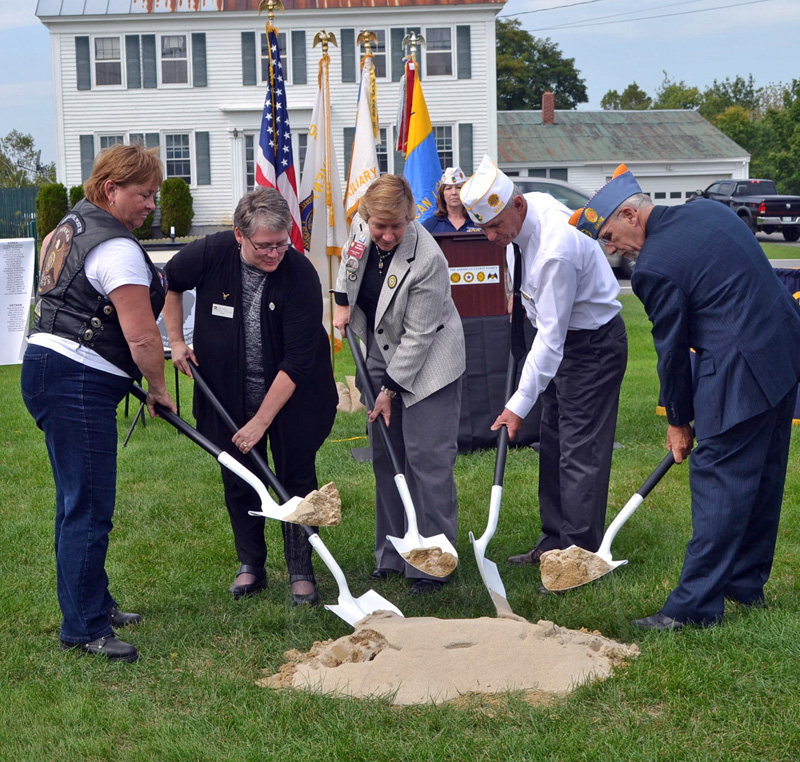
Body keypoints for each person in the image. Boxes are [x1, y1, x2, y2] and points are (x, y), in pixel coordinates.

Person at [571, 164, 800, 630]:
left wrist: (679, 420)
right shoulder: (709, 212)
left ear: (633, 215)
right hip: (783, 352)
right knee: (763, 477)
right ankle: (745, 584)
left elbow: (672, 352)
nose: (612, 249)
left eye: (612, 236)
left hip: (740, 370)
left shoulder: (654, 267)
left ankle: (693, 609)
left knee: (720, 483)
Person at [21, 143, 176, 662]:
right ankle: (84, 627)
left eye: (154, 194)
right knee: (87, 506)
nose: (151, 204)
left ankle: (94, 601)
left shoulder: (67, 227)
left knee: (76, 500)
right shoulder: (118, 249)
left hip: (46, 366)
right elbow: (143, 339)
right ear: (111, 190)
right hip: (76, 380)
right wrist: (158, 388)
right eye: (143, 194)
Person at [162, 187, 337, 607]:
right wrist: (175, 341)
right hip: (228, 388)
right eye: (264, 246)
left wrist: (260, 423)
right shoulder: (211, 252)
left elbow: (297, 362)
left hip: (294, 395)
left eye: (281, 243)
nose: (274, 253)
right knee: (240, 476)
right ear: (240, 236)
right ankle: (251, 565)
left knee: (295, 478)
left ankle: (301, 572)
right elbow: (171, 282)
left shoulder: (300, 274)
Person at [460, 154, 628, 582]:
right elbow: (543, 328)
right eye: (484, 227)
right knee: (553, 441)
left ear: (516, 206)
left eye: (496, 226)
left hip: (591, 345)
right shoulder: (523, 212)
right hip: (557, 336)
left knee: (579, 449)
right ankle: (553, 539)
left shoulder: (556, 249)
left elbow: (552, 341)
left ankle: (578, 554)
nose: (491, 236)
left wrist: (516, 405)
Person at [332, 175, 466, 594]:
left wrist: (388, 391)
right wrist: (340, 303)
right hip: (379, 345)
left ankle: (433, 561)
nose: (387, 235)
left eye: (397, 226)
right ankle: (392, 553)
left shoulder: (428, 259)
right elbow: (350, 266)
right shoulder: (360, 228)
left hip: (429, 363)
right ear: (366, 218)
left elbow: (420, 336)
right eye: (379, 227)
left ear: (411, 216)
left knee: (427, 461)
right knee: (386, 457)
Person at [422, 166, 482, 234]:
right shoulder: (430, 224)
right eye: (448, 188)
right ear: (442, 194)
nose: (454, 193)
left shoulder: (478, 221)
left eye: (459, 187)